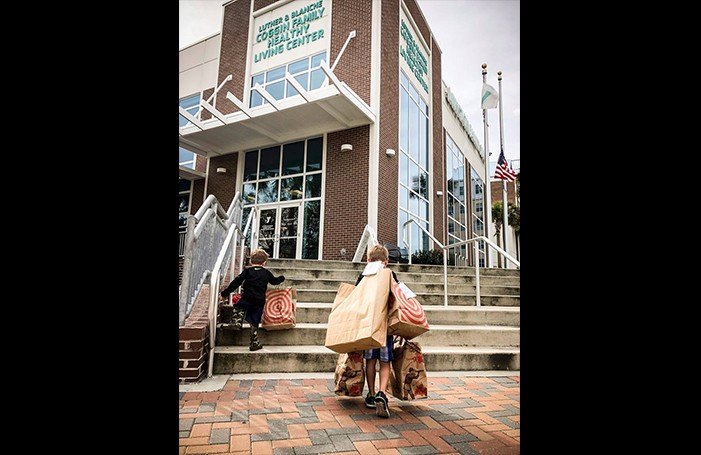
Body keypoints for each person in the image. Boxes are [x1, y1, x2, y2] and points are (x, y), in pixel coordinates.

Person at [356, 244, 399, 418]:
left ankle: (371, 394)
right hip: (385, 327)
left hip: (368, 326)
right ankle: (382, 393)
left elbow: (356, 297)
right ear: (386, 261)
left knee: (370, 361)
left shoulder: (363, 275)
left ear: (368, 260)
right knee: (385, 362)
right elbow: (398, 296)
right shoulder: (390, 274)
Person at [219, 248, 285, 351]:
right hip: (259, 301)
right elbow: (274, 281)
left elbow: (236, 282)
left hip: (247, 298)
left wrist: (224, 294)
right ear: (264, 263)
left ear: (250, 261)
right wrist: (281, 278)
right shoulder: (266, 273)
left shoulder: (247, 271)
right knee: (254, 321)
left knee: (239, 306)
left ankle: (236, 321)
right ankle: (254, 342)